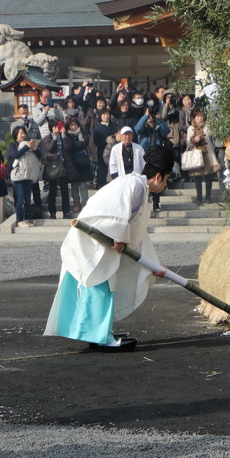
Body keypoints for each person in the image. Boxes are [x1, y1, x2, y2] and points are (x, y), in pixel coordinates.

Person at [44, 144, 174, 350]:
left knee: (102, 287)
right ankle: (101, 338)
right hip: (93, 242)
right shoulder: (132, 185)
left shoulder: (138, 188)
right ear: (158, 176)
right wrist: (119, 236)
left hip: (101, 242)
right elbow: (111, 213)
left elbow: (138, 234)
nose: (165, 185)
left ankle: (99, 333)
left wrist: (153, 264)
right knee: (100, 287)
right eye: (166, 179)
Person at [135, 102, 171, 218]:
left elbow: (167, 131)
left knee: (158, 178)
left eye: (151, 116)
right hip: (145, 156)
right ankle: (146, 201)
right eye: (149, 117)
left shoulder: (158, 128)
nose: (151, 119)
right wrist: (146, 116)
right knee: (147, 179)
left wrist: (159, 119)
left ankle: (156, 202)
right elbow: (137, 128)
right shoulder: (144, 130)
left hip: (157, 156)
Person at [7, 125, 41, 226]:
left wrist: (34, 148)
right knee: (20, 199)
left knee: (27, 199)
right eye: (21, 133)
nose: (23, 135)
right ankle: (19, 219)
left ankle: (26, 218)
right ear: (16, 135)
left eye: (24, 133)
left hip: (28, 175)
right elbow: (15, 155)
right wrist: (27, 147)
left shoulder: (28, 143)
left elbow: (39, 156)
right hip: (18, 176)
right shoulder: (13, 145)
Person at [185, 110, 221, 204]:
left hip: (208, 154)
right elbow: (188, 143)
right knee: (198, 177)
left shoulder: (208, 127)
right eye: (197, 116)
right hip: (196, 155)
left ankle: (208, 196)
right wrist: (194, 140)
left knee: (209, 177)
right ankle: (199, 197)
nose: (200, 118)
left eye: (201, 116)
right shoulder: (190, 128)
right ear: (194, 118)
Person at [43, 121, 72, 219]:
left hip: (63, 167)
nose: (57, 129)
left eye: (58, 127)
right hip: (53, 167)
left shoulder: (64, 136)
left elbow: (68, 147)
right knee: (53, 191)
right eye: (55, 127)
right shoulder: (47, 138)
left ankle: (66, 212)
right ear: (51, 128)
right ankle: (52, 213)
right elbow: (50, 149)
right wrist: (55, 137)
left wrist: (63, 135)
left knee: (65, 191)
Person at [65, 115, 91, 212]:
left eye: (75, 124)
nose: (73, 127)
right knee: (74, 186)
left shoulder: (82, 133)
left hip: (83, 163)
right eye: (71, 125)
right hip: (72, 163)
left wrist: (80, 143)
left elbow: (85, 142)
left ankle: (85, 204)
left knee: (83, 185)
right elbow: (73, 145)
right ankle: (76, 203)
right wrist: (80, 144)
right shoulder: (67, 135)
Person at [91, 108, 115, 188]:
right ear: (100, 116)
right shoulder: (98, 128)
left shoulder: (113, 126)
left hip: (113, 151)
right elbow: (96, 142)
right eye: (104, 114)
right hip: (102, 151)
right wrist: (106, 141)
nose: (106, 116)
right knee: (102, 170)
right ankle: (101, 185)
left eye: (108, 114)